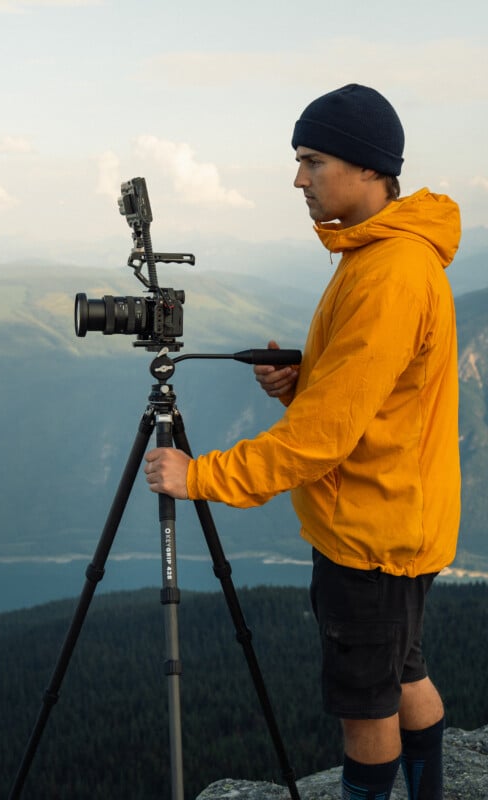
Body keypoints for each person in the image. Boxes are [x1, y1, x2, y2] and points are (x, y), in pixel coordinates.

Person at [143, 83, 461, 800]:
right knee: (403, 671)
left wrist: (202, 477)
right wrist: (305, 377)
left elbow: (323, 439)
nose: (298, 179)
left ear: (368, 167)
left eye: (312, 160)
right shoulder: (382, 254)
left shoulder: (388, 273)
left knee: (366, 708)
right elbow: (377, 390)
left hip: (371, 535)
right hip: (398, 523)